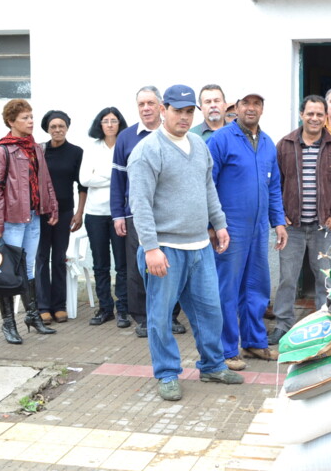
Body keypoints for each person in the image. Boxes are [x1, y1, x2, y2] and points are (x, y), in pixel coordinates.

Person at [128, 84, 243, 401]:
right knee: (160, 316)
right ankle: (167, 373)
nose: (184, 116)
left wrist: (219, 224)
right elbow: (140, 204)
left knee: (210, 311)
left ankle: (212, 366)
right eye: (178, 110)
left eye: (189, 111)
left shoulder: (198, 145)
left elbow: (208, 188)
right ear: (163, 110)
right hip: (165, 249)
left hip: (200, 247)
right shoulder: (148, 151)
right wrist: (151, 248)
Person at [208, 92, 288, 370]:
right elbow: (208, 184)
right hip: (229, 228)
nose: (251, 108)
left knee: (256, 286)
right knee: (227, 289)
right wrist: (212, 224)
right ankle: (226, 350)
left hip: (258, 228)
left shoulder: (267, 143)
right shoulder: (220, 140)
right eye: (246, 103)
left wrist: (278, 221)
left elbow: (273, 186)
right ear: (236, 107)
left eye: (257, 104)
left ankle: (254, 342)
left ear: (262, 109)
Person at [270, 95, 331, 345]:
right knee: (287, 278)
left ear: (325, 116)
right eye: (310, 113)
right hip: (292, 228)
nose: (314, 118)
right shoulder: (285, 145)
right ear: (301, 114)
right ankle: (283, 325)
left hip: (324, 227)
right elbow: (273, 185)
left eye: (319, 114)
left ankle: (324, 323)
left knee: (324, 278)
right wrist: (279, 216)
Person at [112, 86, 185, 337]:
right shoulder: (126, 137)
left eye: (150, 103)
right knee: (139, 267)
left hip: (169, 215)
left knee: (170, 265)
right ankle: (143, 318)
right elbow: (118, 179)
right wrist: (118, 214)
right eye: (141, 104)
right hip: (136, 214)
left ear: (161, 106)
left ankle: (170, 316)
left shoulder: (172, 135)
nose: (146, 109)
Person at [0, 98, 58, 342]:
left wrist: (52, 206)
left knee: (28, 268)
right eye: (25, 118)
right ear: (11, 122)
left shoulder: (35, 148)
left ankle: (32, 316)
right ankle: (8, 324)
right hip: (12, 220)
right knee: (9, 271)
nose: (30, 121)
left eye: (31, 117)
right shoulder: (1, 151)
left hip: (33, 216)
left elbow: (45, 181)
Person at [80, 106, 131, 327]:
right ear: (99, 125)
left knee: (122, 264)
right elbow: (84, 179)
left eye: (113, 121)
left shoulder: (125, 145)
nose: (110, 125)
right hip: (95, 214)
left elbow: (129, 178)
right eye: (105, 121)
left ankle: (123, 309)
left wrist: (100, 175)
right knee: (100, 264)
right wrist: (114, 176)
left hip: (120, 213)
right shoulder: (92, 148)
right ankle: (105, 308)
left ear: (120, 123)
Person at [35, 110, 87, 324]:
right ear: (47, 129)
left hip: (65, 212)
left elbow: (82, 185)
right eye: (53, 126)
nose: (57, 130)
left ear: (67, 128)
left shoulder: (76, 152)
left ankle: (59, 305)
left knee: (58, 258)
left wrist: (79, 212)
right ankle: (42, 306)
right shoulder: (39, 151)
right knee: (41, 258)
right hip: (41, 213)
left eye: (61, 126)